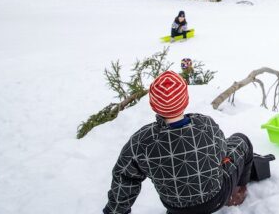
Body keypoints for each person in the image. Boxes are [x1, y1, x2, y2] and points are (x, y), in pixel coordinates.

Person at [103, 70, 254, 214]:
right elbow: (222, 152)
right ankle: (237, 193)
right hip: (216, 198)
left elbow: (124, 177)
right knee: (242, 140)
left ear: (154, 105)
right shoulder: (205, 125)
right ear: (185, 100)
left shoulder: (141, 142)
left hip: (175, 207)